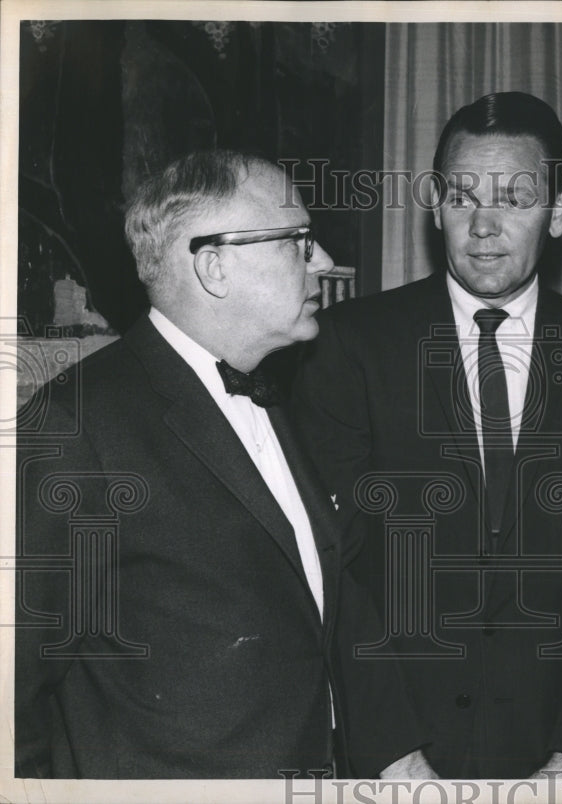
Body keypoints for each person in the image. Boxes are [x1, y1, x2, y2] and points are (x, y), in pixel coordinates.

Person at [15, 150, 426, 778]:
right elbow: (12, 696)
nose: (322, 262)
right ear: (214, 265)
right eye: (298, 241)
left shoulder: (280, 393)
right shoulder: (78, 425)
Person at [291, 92, 562, 778]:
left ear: (560, 211)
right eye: (461, 198)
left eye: (513, 199)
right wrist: (390, 751)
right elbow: (338, 568)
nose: (483, 227)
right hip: (394, 749)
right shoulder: (349, 346)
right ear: (434, 206)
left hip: (558, 750)